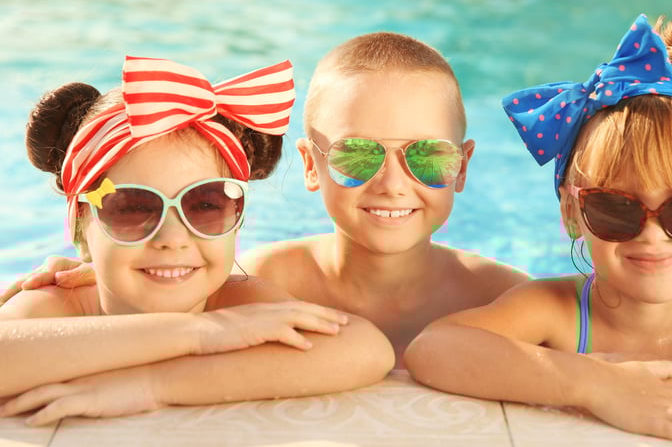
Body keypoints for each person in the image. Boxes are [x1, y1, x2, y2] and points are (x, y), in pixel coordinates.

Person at [5, 33, 531, 367]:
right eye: (356, 155)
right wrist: (97, 262)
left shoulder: (504, 297)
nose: (393, 183)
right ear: (309, 163)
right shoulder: (247, 283)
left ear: (462, 166)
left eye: (428, 157)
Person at [405, 12, 672, 444]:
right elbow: (432, 349)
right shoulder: (554, 312)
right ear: (571, 212)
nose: (653, 235)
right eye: (615, 208)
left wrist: (654, 381)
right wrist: (595, 384)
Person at [0, 56, 393, 425]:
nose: (173, 238)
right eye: (131, 208)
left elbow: (366, 349)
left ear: (237, 219)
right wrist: (199, 334)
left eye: (206, 204)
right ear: (80, 232)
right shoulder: (62, 303)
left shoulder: (238, 302)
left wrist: (154, 384)